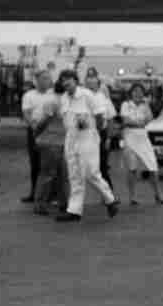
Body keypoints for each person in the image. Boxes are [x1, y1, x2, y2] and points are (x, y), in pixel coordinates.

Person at [57, 69, 119, 222]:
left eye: (68, 79)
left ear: (75, 80)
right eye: (63, 80)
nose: (66, 83)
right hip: (71, 138)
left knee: (91, 173)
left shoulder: (87, 95)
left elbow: (99, 115)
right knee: (74, 176)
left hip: (87, 137)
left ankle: (110, 200)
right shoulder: (64, 98)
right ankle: (74, 210)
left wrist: (93, 130)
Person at [119, 83, 163, 206]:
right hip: (130, 138)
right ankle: (132, 196)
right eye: (135, 91)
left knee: (153, 166)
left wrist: (146, 108)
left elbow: (149, 119)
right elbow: (125, 120)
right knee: (132, 168)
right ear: (131, 93)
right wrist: (138, 123)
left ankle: (158, 193)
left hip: (143, 138)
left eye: (140, 91)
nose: (137, 93)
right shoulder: (126, 105)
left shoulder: (145, 106)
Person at [30, 79, 69, 216]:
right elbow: (43, 121)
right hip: (51, 142)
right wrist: (36, 135)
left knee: (60, 174)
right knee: (50, 174)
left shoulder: (63, 101)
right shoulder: (54, 101)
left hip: (60, 142)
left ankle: (64, 203)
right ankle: (40, 204)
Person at [20, 71, 52, 203]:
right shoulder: (29, 95)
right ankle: (34, 193)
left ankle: (49, 195)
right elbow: (26, 113)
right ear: (36, 80)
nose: (46, 81)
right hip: (34, 131)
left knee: (50, 165)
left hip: (51, 131)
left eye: (48, 79)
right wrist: (33, 126)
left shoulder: (53, 95)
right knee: (35, 163)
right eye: (44, 78)